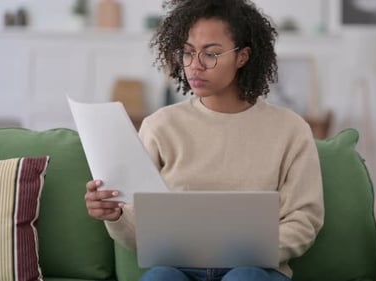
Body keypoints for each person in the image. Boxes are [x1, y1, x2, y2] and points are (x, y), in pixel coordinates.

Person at [84, 0, 324, 280]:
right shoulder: (160, 126)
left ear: (242, 57)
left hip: (256, 268)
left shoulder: (290, 129)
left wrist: (254, 250)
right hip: (176, 268)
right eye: (187, 53)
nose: (195, 65)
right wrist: (115, 215)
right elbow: (139, 224)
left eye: (210, 54)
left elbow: (304, 219)